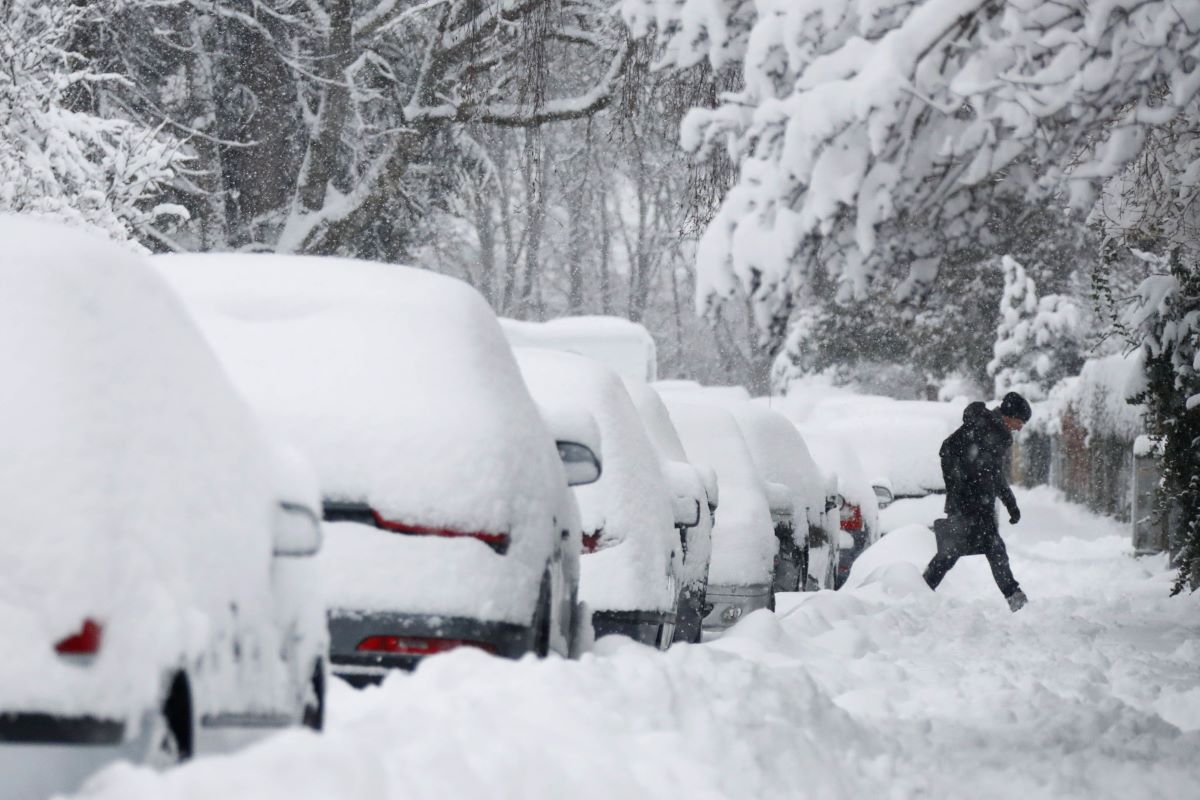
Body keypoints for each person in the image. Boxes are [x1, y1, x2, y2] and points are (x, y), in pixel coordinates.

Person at [923, 392, 1032, 612]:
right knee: (958, 552)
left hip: (979, 506)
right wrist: (963, 488)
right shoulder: (983, 428)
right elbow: (947, 450)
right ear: (1010, 416)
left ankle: (920, 589)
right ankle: (919, 589)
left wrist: (1010, 503)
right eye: (1020, 421)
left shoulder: (995, 433)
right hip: (968, 506)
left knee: (973, 551)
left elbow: (994, 474)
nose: (1020, 427)